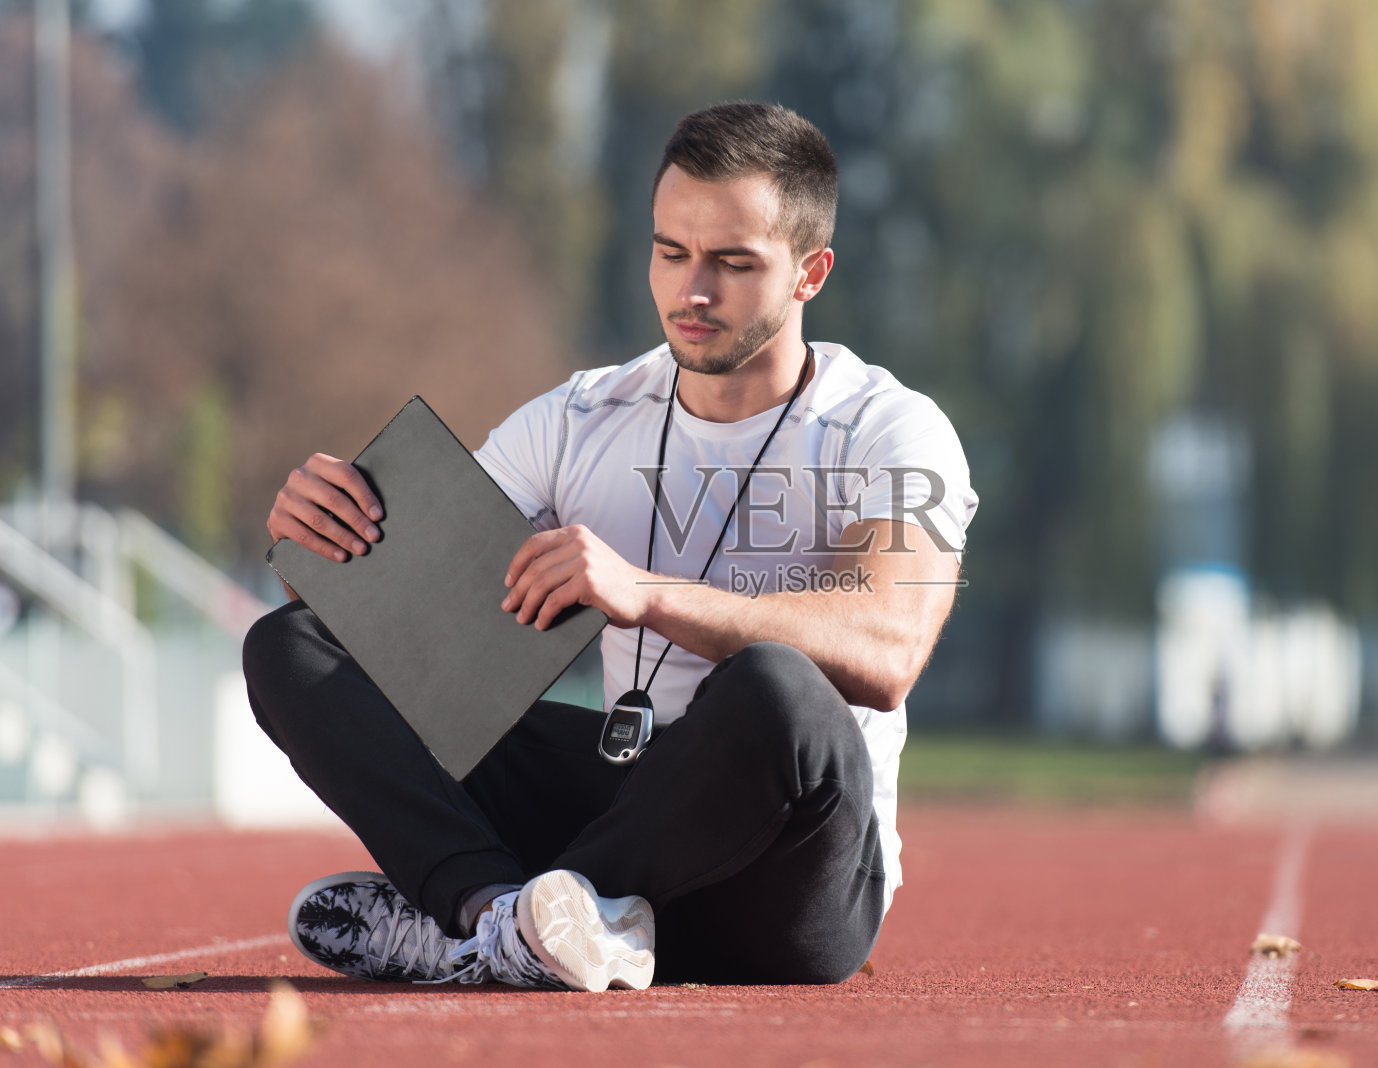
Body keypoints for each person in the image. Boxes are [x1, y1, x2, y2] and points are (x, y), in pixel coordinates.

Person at [244, 102, 977, 991]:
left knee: (780, 687)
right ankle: (492, 916)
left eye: (733, 263)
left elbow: (887, 650)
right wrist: (327, 540)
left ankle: (498, 927)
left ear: (809, 274)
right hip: (609, 826)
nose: (691, 291)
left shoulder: (888, 428)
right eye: (671, 252)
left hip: (788, 882)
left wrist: (645, 593)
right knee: (290, 647)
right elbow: (386, 631)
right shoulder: (582, 416)